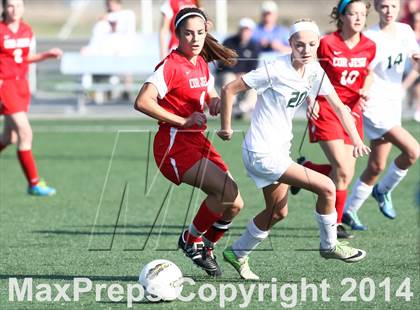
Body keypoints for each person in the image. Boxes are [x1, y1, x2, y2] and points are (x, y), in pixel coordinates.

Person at [218, 19, 370, 280]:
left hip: (278, 150)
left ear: (318, 44)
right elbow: (229, 88)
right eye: (300, 44)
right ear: (290, 44)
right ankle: (329, 245)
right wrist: (226, 127)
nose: (306, 49)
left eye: (312, 44)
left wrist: (355, 138)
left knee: (278, 212)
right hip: (262, 152)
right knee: (327, 186)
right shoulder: (274, 69)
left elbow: (338, 107)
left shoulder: (314, 71)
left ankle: (237, 252)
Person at [134, 7, 242, 277]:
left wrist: (214, 101)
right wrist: (181, 121)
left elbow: (207, 92)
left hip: (197, 141)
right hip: (173, 145)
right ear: (178, 35)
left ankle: (205, 247)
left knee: (235, 203)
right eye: (188, 34)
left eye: (200, 33)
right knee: (226, 192)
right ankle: (190, 239)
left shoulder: (201, 62)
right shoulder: (170, 65)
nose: (195, 39)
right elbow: (142, 101)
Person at [290, 0, 376, 239]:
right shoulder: (327, 43)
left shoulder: (369, 45)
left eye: (361, 14)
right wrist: (310, 98)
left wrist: (366, 89)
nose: (357, 18)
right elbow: (307, 68)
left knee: (345, 173)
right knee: (343, 167)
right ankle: (335, 224)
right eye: (352, 13)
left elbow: (369, 73)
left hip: (352, 113)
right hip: (327, 108)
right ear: (341, 15)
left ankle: (304, 170)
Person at [342, 0, 419, 230]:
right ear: (375, 7)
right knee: (413, 151)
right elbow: (365, 71)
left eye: (393, 6)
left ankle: (348, 211)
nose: (389, 11)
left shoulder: (405, 31)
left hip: (394, 102)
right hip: (374, 104)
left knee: (376, 166)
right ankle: (383, 190)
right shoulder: (370, 37)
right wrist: (362, 90)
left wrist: (415, 65)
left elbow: (415, 60)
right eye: (384, 6)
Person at [0, 0, 62, 196]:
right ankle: (34, 183)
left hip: (21, 86)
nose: (15, 9)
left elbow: (24, 58)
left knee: (10, 137)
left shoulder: (27, 30)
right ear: (3, 8)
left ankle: (34, 183)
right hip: (5, 85)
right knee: (26, 133)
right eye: (10, 5)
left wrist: (46, 55)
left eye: (18, 5)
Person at [217, 18, 260, 119]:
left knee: (254, 87)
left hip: (246, 76)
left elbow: (253, 65)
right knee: (229, 78)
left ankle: (241, 108)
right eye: (243, 29)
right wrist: (236, 73)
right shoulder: (229, 42)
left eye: (247, 30)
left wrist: (244, 74)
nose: (245, 32)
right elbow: (223, 62)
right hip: (229, 73)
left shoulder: (254, 46)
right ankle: (231, 104)